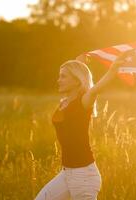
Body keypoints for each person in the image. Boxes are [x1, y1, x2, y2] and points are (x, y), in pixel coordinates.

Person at [35, 55, 122, 200]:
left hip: (84, 176)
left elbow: (96, 89)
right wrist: (78, 62)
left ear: (76, 81)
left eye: (63, 77)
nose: (58, 80)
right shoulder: (66, 101)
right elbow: (78, 74)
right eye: (59, 76)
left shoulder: (83, 102)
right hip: (67, 174)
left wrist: (113, 70)